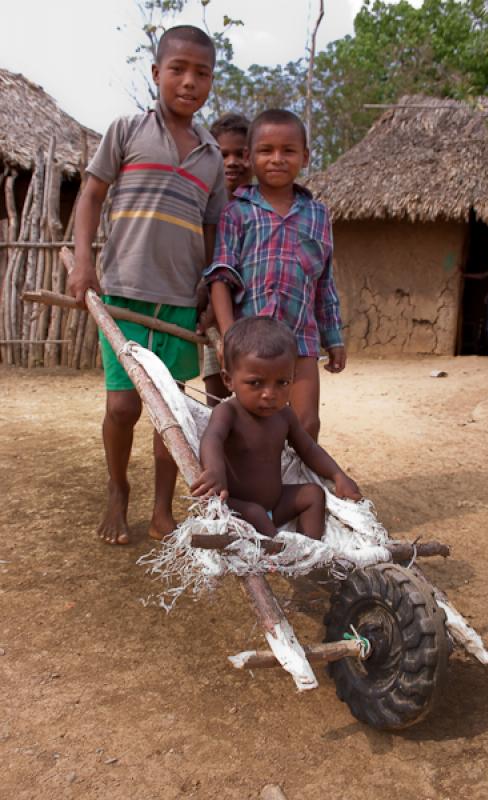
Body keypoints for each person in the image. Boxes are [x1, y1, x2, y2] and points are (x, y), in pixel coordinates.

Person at [67, 25, 227, 545]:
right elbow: (91, 195)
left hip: (179, 302)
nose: (189, 82)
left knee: (171, 413)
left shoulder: (211, 158)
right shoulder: (127, 131)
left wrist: (206, 291)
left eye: (201, 73)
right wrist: (83, 264)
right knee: (123, 407)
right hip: (122, 292)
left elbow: (211, 231)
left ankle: (162, 508)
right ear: (156, 73)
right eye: (177, 69)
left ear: (210, 82)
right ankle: (118, 489)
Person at [204, 108, 345, 441]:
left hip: (301, 339)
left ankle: (293, 487)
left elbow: (324, 283)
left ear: (306, 156)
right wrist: (228, 335)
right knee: (249, 426)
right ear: (251, 158)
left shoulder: (318, 215)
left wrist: (334, 338)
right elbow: (220, 276)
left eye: (289, 150)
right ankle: (256, 488)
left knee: (306, 424)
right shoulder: (236, 212)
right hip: (250, 341)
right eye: (266, 151)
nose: (277, 159)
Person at [191, 317, 361, 539]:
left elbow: (309, 449)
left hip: (277, 502)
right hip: (239, 508)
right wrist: (214, 471)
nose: (270, 394)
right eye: (256, 383)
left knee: (313, 494)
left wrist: (338, 475)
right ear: (228, 380)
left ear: (293, 378)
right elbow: (211, 439)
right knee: (256, 512)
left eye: (282, 383)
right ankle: (279, 555)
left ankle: (309, 549)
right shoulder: (228, 412)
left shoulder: (285, 416)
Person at [202, 113, 252, 407]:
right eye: (224, 154)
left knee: (259, 395)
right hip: (215, 316)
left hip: (256, 317)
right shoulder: (206, 207)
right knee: (217, 398)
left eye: (240, 154)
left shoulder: (263, 209)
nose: (232, 162)